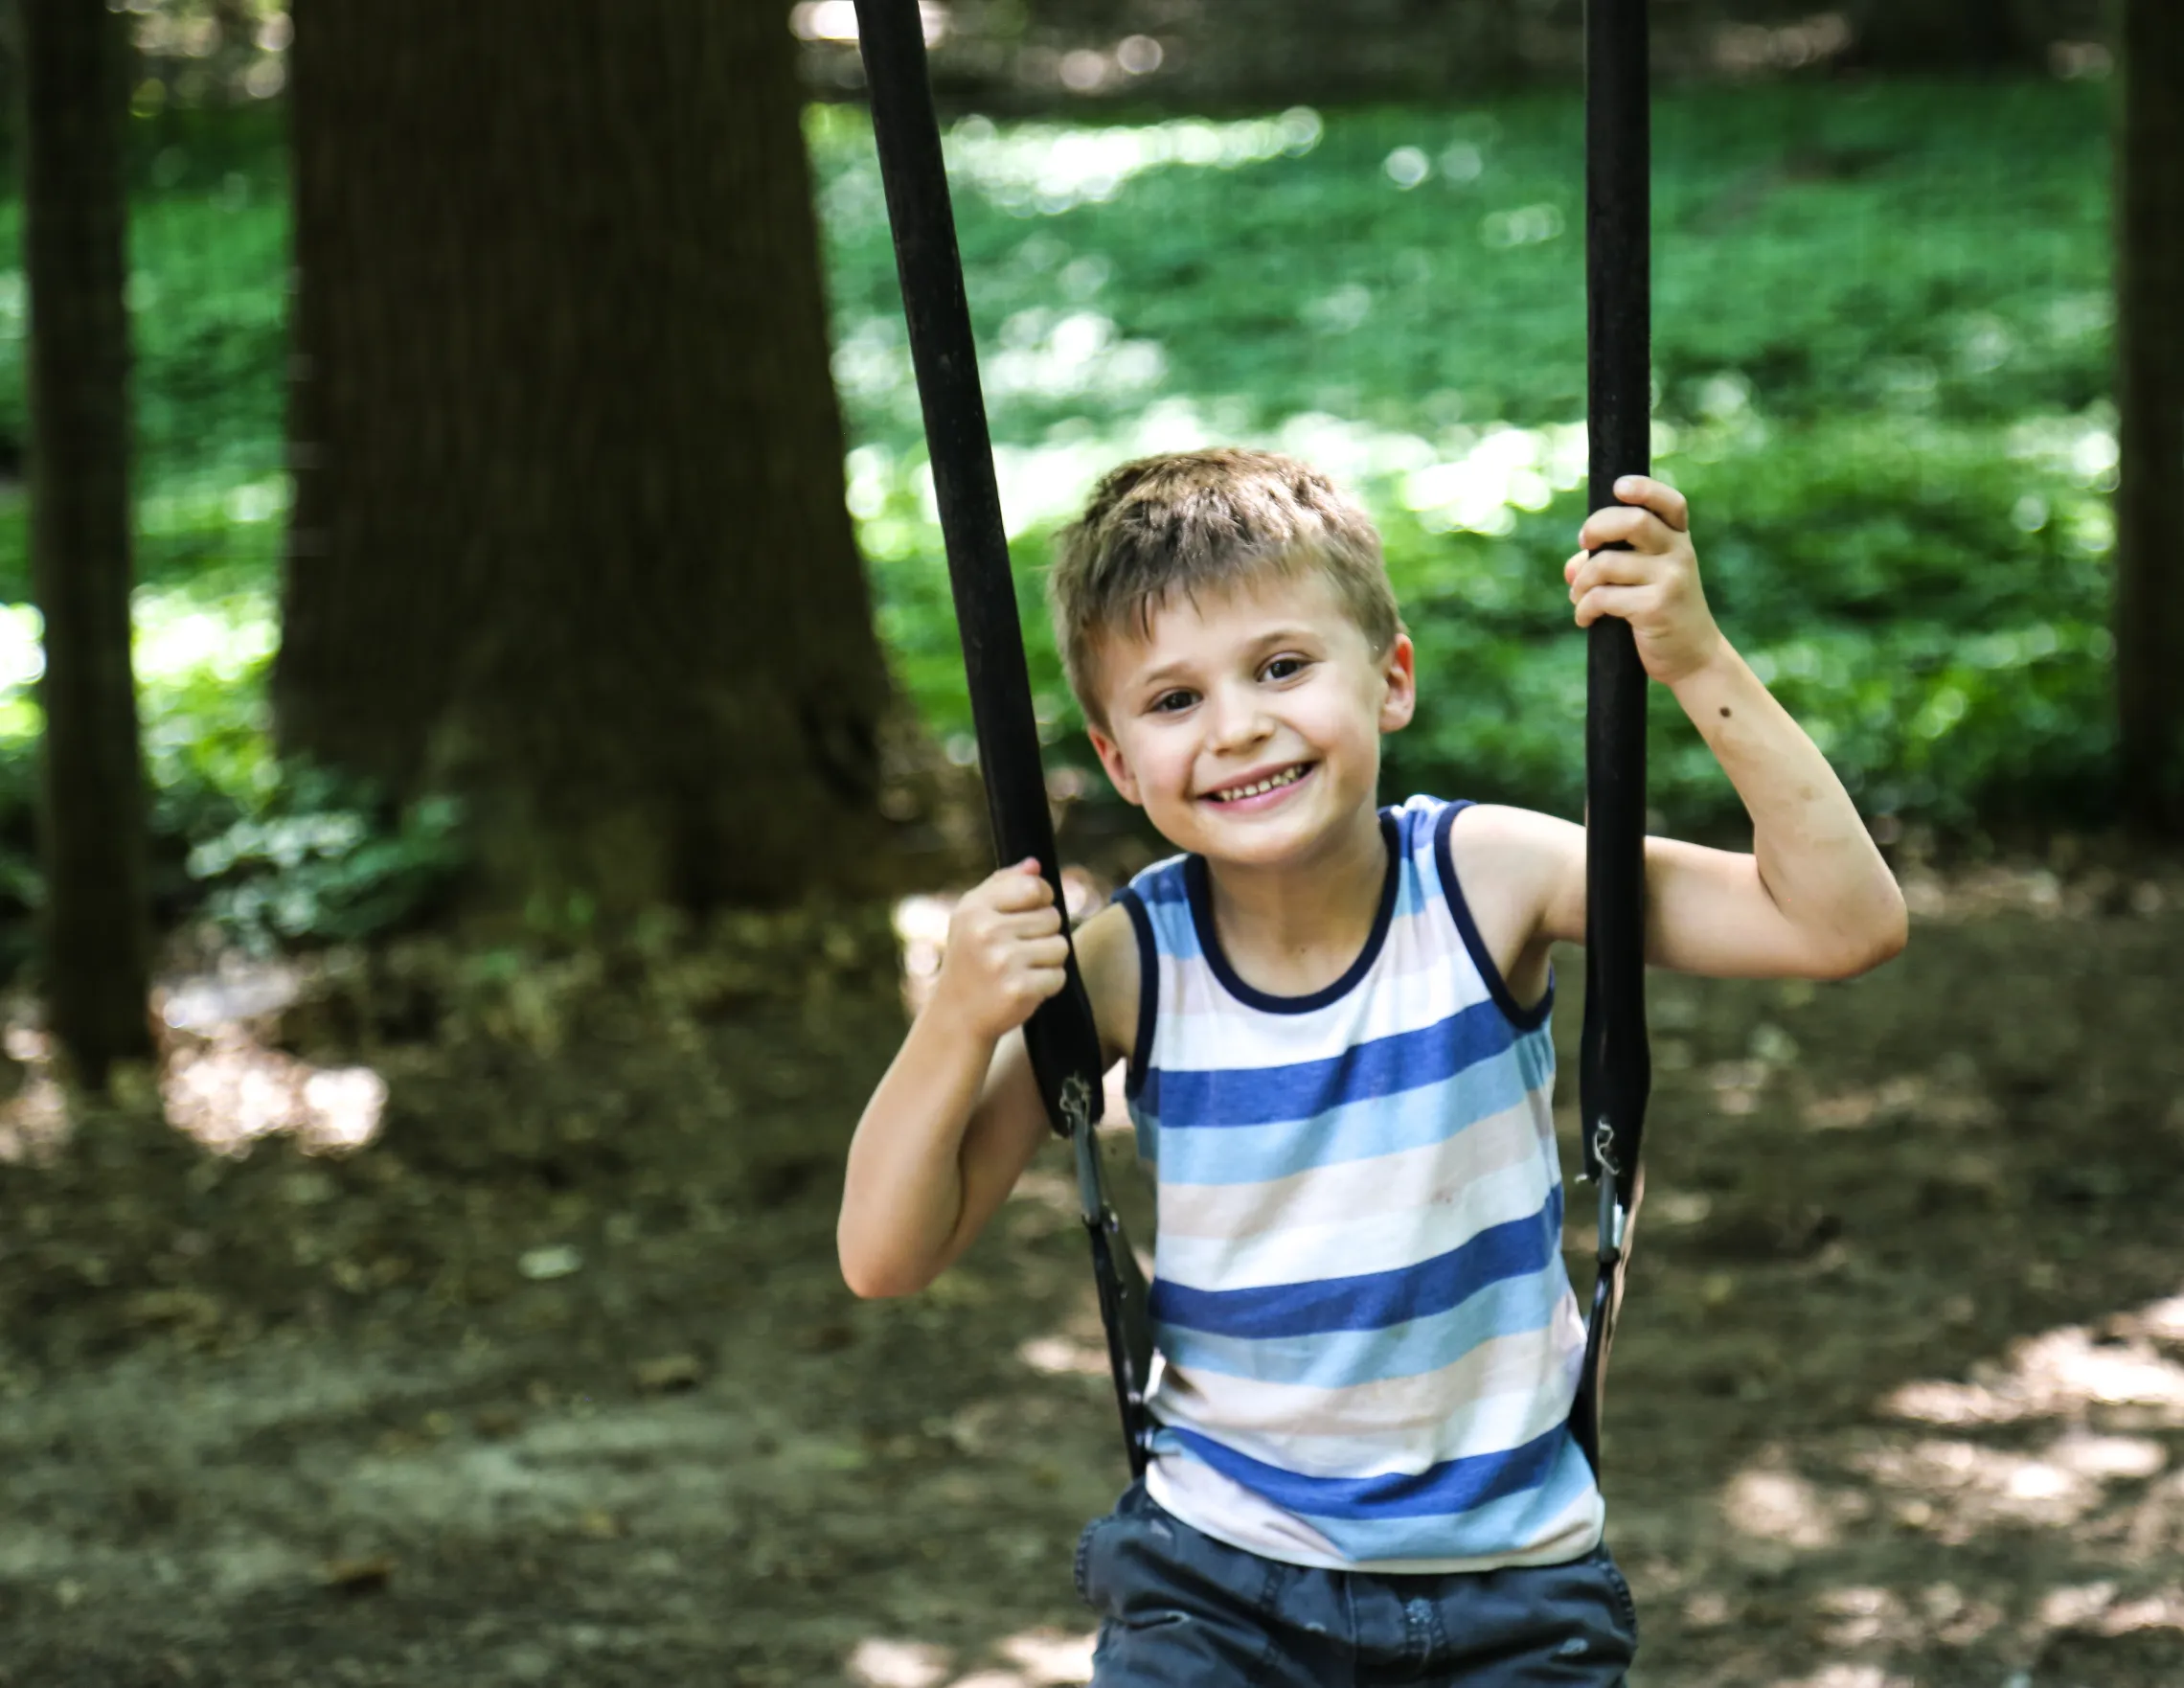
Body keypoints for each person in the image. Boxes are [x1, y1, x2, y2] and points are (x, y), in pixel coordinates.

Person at [837, 447, 1907, 1685]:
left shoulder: (1485, 881)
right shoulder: (1129, 965)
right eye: (1173, 700)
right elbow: (884, 1252)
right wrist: (954, 1023)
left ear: (1390, 678)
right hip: (1216, 1582)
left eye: (1282, 667)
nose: (1239, 724)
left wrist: (1695, 659)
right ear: (1119, 761)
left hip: (1513, 1586)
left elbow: (1842, 923)